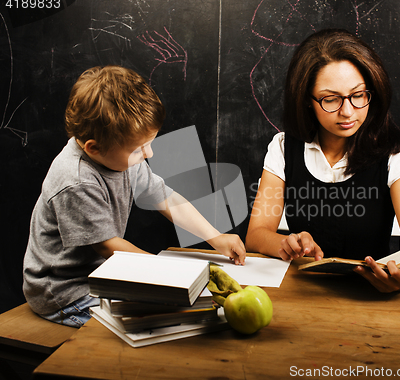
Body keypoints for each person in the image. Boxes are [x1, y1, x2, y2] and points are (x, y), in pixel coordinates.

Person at [23, 65, 246, 327]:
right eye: (140, 148)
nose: (149, 154)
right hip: (66, 291)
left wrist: (215, 237)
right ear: (94, 148)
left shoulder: (123, 156)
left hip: (103, 276)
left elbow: (167, 198)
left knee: (180, 312)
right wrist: (174, 274)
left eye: (149, 143)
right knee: (157, 321)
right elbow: (109, 246)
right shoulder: (76, 180)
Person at [246, 29, 400, 293]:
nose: (347, 112)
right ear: (307, 100)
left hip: (372, 293)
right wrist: (287, 243)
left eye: (358, 95)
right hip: (304, 292)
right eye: (330, 99)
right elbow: (256, 234)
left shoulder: (395, 150)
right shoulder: (283, 147)